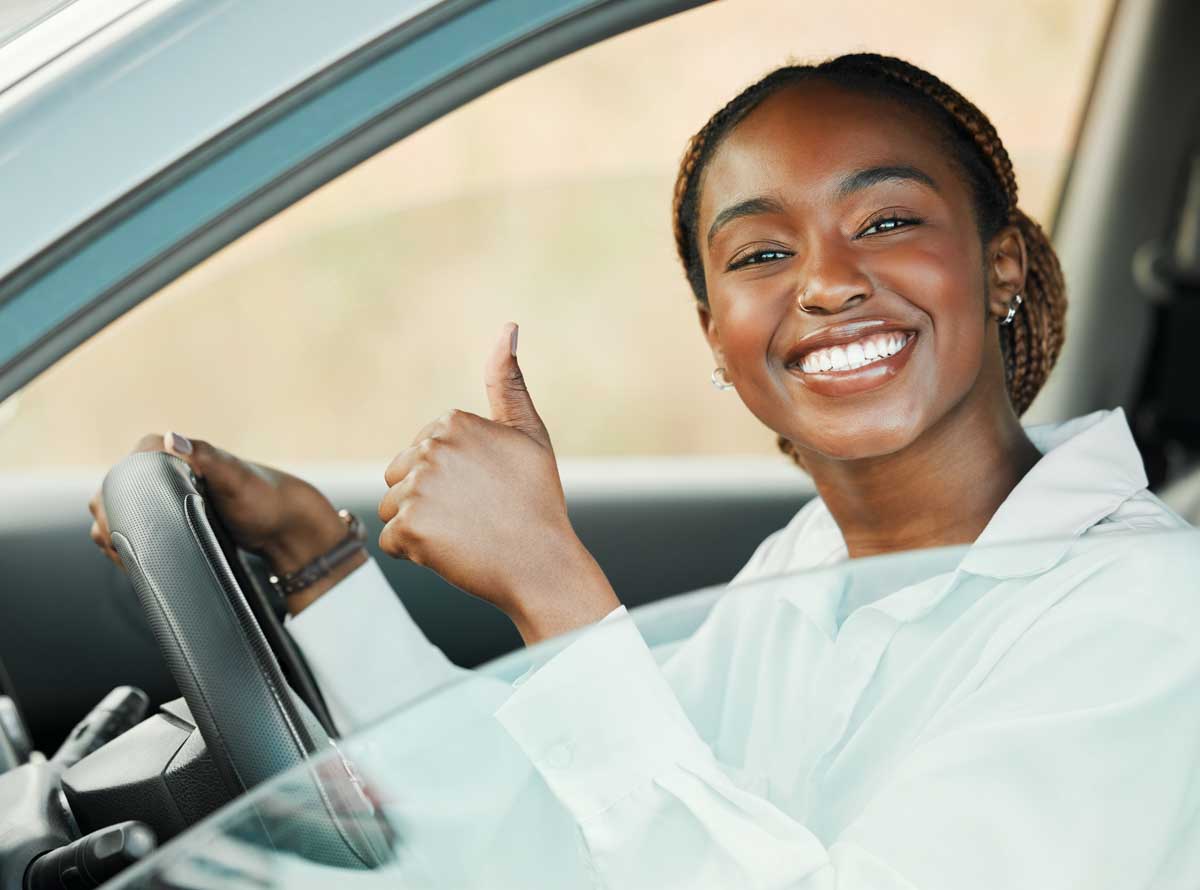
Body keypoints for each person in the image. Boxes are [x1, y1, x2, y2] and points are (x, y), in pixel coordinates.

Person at [90, 54, 1200, 888]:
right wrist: (318, 560)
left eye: (888, 220)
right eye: (762, 253)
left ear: (1000, 266)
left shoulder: (1147, 614)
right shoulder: (811, 569)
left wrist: (550, 580)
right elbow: (566, 819)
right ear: (716, 334)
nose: (826, 282)